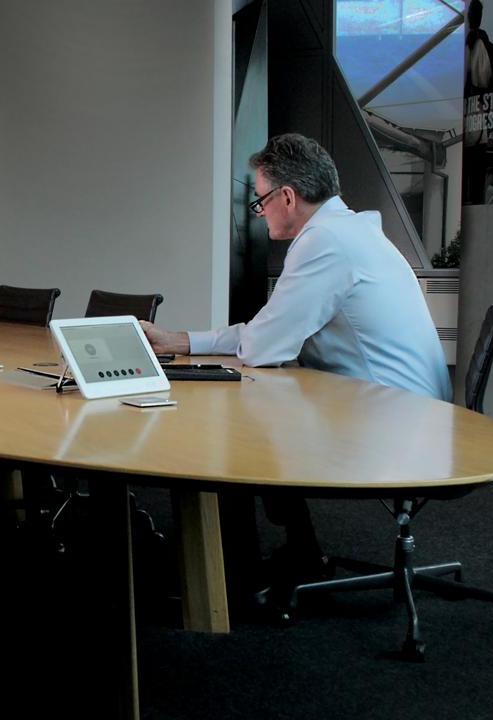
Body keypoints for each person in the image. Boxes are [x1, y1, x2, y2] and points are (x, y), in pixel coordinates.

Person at [142, 133, 450, 593]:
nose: (260, 210)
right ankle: (297, 551)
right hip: (406, 410)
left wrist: (188, 343)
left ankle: (231, 576)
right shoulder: (349, 231)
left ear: (287, 196)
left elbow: (264, 346)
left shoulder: (324, 242)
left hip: (393, 422)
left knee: (236, 423)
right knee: (267, 408)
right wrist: (183, 340)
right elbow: (269, 332)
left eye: (260, 200)